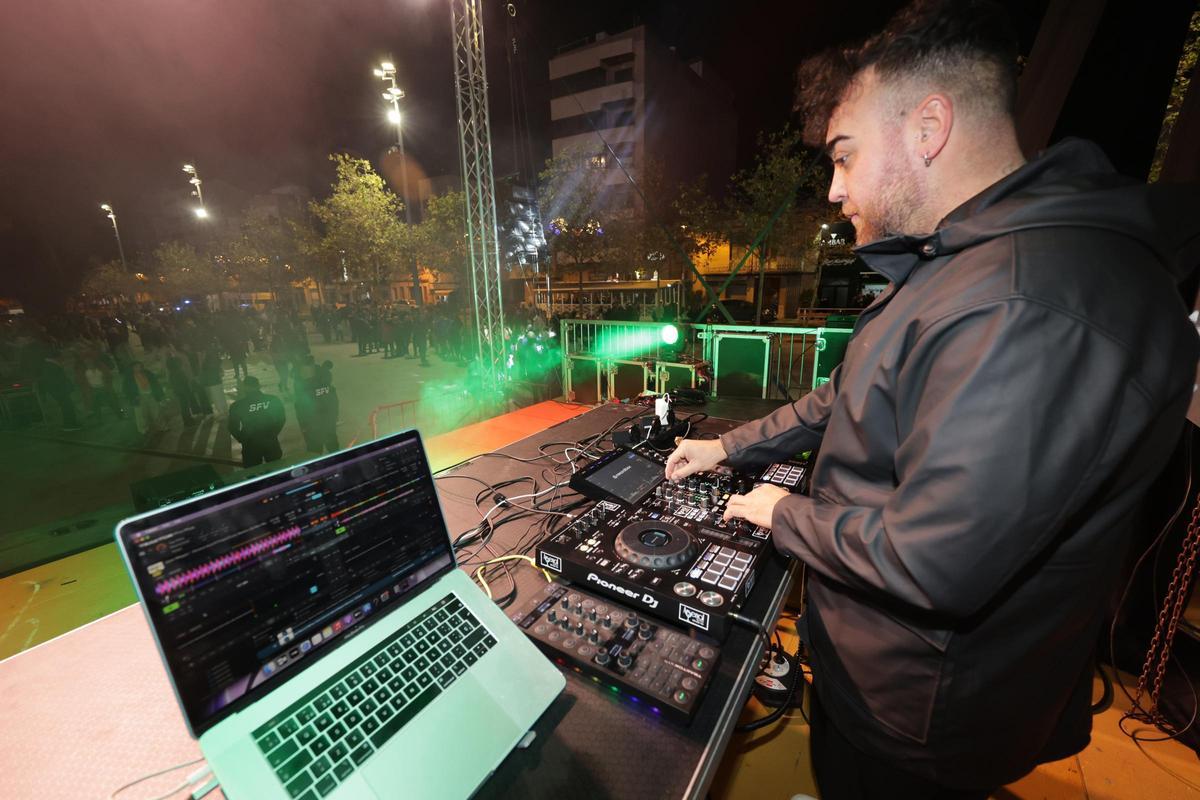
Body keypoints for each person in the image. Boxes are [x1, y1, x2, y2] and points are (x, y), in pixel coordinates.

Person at [665, 2, 1200, 798]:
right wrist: (729, 449)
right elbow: (845, 397)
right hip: (882, 678)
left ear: (929, 126)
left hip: (917, 720)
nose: (836, 189)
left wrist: (782, 515)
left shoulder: (1029, 301)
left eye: (844, 157)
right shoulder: (967, 265)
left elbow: (936, 560)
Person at [227, 376, 286, 468]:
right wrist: (273, 433)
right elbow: (281, 418)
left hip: (250, 444)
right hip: (270, 441)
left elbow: (232, 426)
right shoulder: (272, 400)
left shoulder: (237, 406)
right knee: (276, 468)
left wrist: (242, 438)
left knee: (253, 472)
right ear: (258, 386)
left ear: (244, 388)